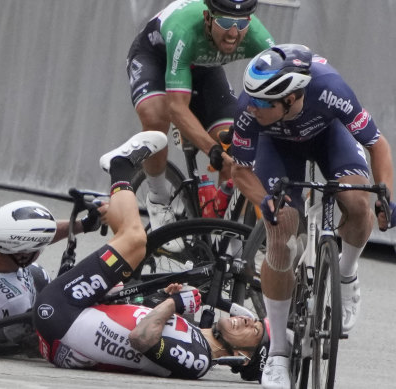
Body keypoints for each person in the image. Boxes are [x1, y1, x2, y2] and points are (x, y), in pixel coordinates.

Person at [33, 131, 272, 382]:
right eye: (252, 320)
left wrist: (174, 304)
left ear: (243, 357)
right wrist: (165, 300)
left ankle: (121, 166)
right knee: (128, 252)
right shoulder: (196, 338)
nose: (246, 320)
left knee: (136, 243)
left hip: (61, 314)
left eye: (253, 330)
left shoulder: (200, 360)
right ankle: (109, 210)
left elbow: (141, 338)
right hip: (68, 323)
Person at [230, 43, 396, 388]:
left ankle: (346, 277)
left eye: (264, 102)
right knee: (282, 235)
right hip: (275, 148)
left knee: (358, 201)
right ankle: (277, 354)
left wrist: (385, 193)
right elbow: (240, 171)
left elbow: (377, 144)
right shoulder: (249, 108)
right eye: (252, 99)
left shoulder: (331, 89)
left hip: (327, 137)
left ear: (290, 98)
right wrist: (266, 203)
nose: (253, 106)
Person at [127, 0, 274, 232]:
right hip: (156, 58)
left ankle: (228, 233)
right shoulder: (185, 29)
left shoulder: (256, 36)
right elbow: (177, 108)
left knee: (233, 145)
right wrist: (211, 149)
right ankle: (158, 200)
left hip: (204, 68)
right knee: (157, 118)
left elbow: (282, 84)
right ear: (208, 18)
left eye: (241, 24)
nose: (233, 34)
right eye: (225, 22)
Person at [0, 198, 106, 350]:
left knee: (37, 274)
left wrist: (83, 224)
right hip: (6, 332)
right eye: (40, 247)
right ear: (22, 254)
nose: (43, 248)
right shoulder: (14, 301)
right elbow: (37, 342)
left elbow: (29, 233)